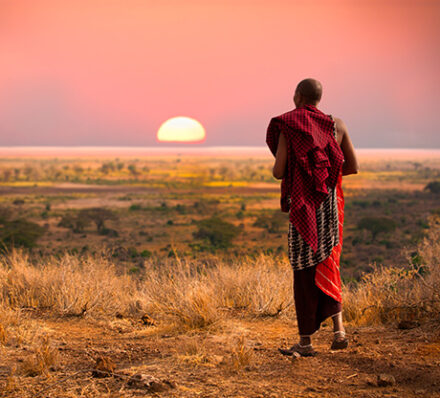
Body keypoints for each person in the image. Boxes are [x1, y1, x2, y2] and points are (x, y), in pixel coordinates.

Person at [266, 78, 359, 357]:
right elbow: (352, 166)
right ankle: (339, 331)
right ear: (319, 98)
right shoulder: (337, 125)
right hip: (328, 206)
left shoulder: (288, 126)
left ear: (297, 96)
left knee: (304, 271)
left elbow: (278, 171)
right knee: (328, 263)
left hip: (303, 208)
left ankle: (305, 343)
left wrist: (303, 177)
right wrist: (323, 177)